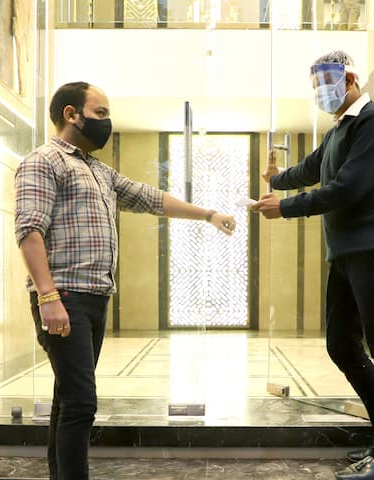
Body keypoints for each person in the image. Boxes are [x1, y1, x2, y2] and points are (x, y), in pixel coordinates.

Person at [14, 81, 236, 480]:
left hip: (94, 297)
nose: (106, 122)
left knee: (69, 399)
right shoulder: (44, 161)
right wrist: (47, 296)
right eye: (99, 113)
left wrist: (208, 214)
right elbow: (29, 231)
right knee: (81, 403)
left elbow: (151, 198)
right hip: (64, 295)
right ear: (71, 114)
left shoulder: (99, 170)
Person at [252, 51, 374, 480]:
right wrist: (275, 180)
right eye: (316, 88)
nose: (321, 93)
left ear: (350, 79)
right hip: (345, 254)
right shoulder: (340, 129)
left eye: (326, 84)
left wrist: (285, 208)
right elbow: (313, 168)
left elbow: (348, 187)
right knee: (341, 345)